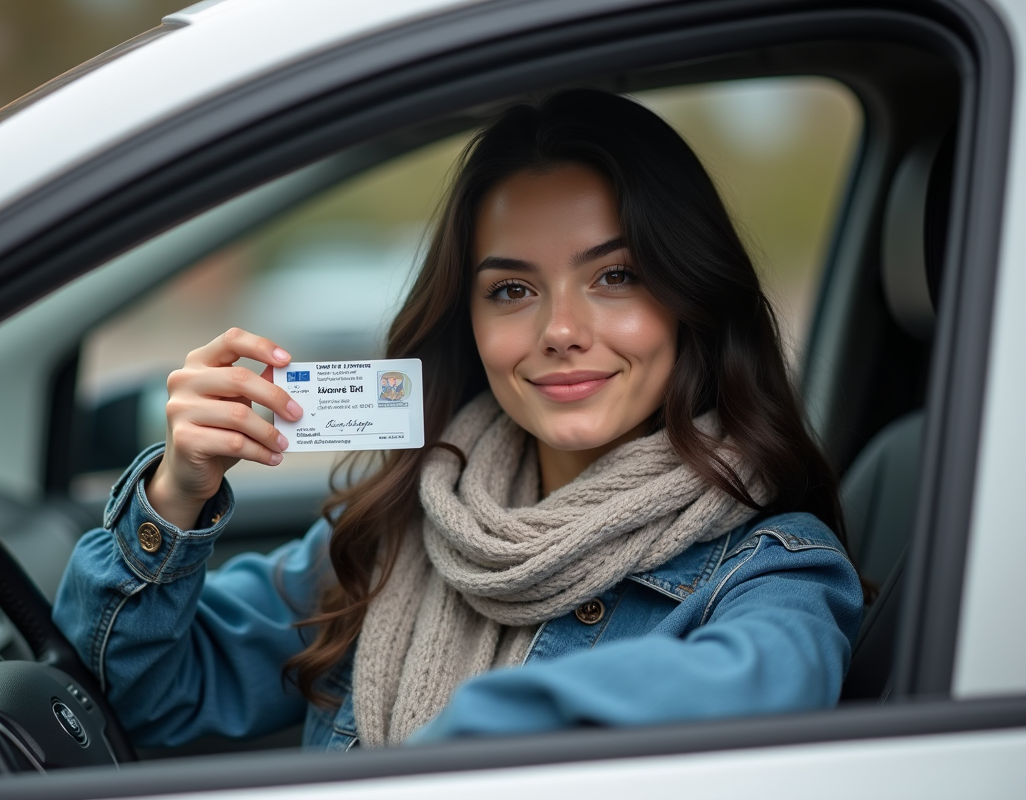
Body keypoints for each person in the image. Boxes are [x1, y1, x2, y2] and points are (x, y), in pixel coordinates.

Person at [53, 89, 864, 751]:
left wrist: (448, 756)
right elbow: (140, 702)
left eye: (616, 276)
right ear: (468, 327)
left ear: (691, 298)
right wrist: (175, 494)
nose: (561, 330)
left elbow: (750, 706)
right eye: (512, 289)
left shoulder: (775, 572)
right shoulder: (399, 527)